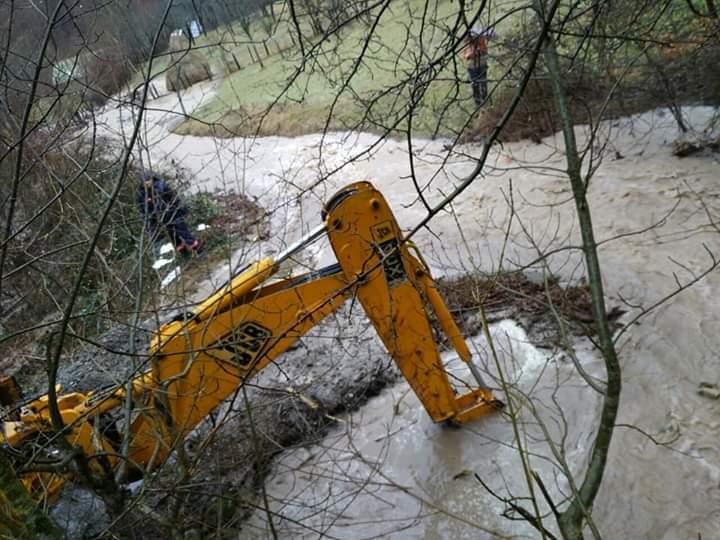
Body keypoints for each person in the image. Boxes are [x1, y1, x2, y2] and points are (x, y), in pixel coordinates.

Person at [137, 171, 200, 254]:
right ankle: (185, 255)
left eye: (148, 180)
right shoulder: (142, 194)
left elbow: (174, 198)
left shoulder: (161, 187)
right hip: (162, 219)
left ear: (152, 179)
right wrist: (150, 223)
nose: (147, 183)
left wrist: (181, 209)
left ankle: (199, 251)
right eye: (145, 181)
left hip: (173, 214)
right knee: (174, 238)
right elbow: (143, 210)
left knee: (184, 233)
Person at [462, 26, 497, 106]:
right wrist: (474, 52)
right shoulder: (468, 43)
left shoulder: (482, 40)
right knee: (475, 85)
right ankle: (478, 104)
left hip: (482, 65)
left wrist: (480, 51)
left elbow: (485, 50)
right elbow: (467, 56)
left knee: (483, 83)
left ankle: (485, 101)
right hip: (472, 67)